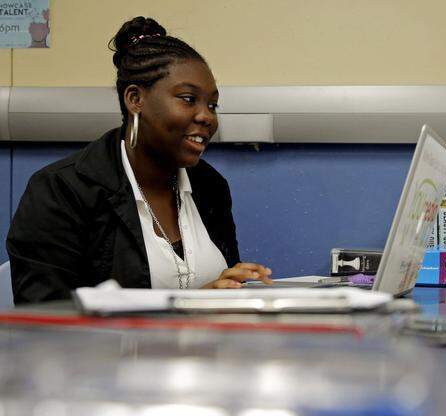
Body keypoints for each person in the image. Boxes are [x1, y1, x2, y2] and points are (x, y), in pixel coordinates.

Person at [5, 16, 273, 304]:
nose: (207, 116)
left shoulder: (210, 187)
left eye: (212, 104)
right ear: (135, 99)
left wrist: (235, 287)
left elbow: (220, 294)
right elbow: (48, 321)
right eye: (187, 98)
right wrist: (189, 307)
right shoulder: (61, 192)